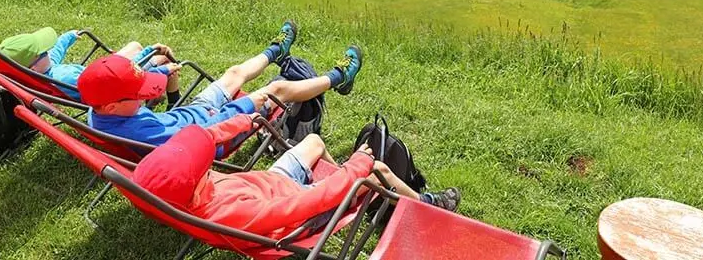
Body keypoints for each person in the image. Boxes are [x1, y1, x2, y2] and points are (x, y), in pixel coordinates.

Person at [133, 122, 461, 244]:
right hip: (297, 211)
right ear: (194, 182)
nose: (206, 165)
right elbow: (305, 205)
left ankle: (356, 188)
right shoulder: (229, 214)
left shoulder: (182, 195)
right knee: (378, 169)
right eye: (201, 165)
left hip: (273, 182)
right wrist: (357, 168)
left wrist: (246, 120)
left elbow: (205, 137)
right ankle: (429, 204)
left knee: (314, 141)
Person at [78, 21, 364, 147]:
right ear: (115, 105)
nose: (143, 98)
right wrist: (237, 108)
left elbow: (156, 107)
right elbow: (202, 137)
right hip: (217, 128)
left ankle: (276, 52)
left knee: (233, 73)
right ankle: (339, 77)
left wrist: (163, 77)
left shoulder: (99, 111)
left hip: (193, 113)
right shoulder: (143, 134)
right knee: (274, 91)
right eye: (138, 96)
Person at [0, 27, 181, 104]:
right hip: (109, 83)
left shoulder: (44, 74)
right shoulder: (64, 78)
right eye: (44, 51)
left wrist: (67, 38)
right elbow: (112, 78)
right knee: (162, 57)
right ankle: (175, 101)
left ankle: (155, 97)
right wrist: (147, 52)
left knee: (134, 45)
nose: (49, 51)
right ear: (33, 68)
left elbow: (54, 55)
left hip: (98, 73)